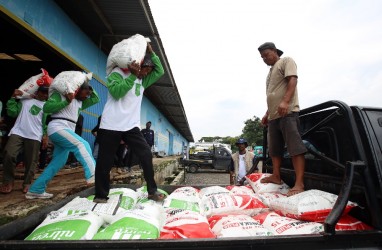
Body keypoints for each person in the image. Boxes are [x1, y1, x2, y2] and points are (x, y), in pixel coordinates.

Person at [94, 42, 165, 203]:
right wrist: (133, 75)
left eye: (148, 71)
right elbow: (116, 92)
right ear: (138, 66)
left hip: (131, 125)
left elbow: (160, 70)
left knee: (146, 154)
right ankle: (101, 195)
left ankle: (152, 190)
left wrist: (151, 52)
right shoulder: (117, 72)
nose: (146, 74)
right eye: (145, 70)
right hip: (111, 124)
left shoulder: (143, 81)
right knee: (105, 161)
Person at [25, 81, 99, 199]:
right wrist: (66, 101)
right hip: (58, 127)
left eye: (88, 94)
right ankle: (93, 174)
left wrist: (87, 83)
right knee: (82, 144)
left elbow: (96, 99)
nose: (87, 96)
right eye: (85, 93)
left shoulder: (80, 102)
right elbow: (46, 107)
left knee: (59, 161)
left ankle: (36, 189)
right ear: (77, 90)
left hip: (67, 130)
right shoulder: (60, 96)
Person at [258, 42, 307, 196]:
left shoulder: (286, 61)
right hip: (274, 116)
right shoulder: (270, 72)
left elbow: (292, 80)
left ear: (274, 51)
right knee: (274, 149)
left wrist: (285, 101)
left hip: (288, 112)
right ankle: (276, 176)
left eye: (266, 55)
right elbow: (273, 94)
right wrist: (267, 114)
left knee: (295, 147)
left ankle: (299, 183)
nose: (264, 59)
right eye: (262, 57)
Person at [0, 86, 49, 194]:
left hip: (35, 135)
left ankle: (27, 182)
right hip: (18, 131)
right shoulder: (25, 100)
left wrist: (45, 135)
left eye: (47, 93)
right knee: (9, 153)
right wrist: (13, 98)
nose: (45, 95)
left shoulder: (47, 106)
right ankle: (8, 181)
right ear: (37, 91)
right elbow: (12, 112)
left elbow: (44, 123)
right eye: (43, 92)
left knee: (31, 160)